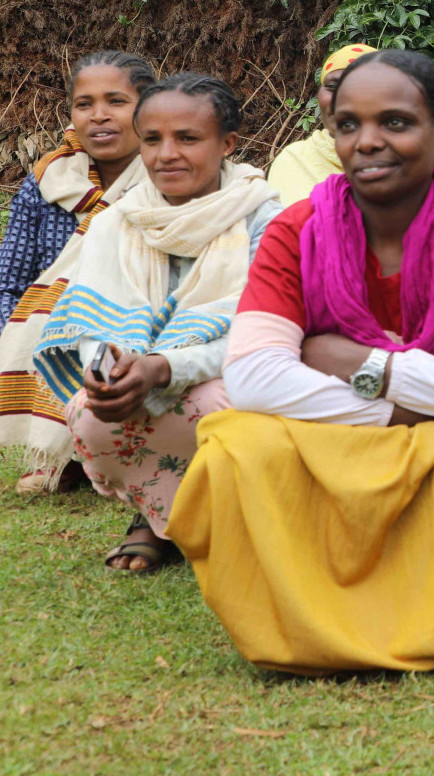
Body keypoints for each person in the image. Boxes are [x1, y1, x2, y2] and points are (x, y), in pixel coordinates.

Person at [168, 50, 434, 673]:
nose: (367, 142)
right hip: (383, 431)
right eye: (348, 125)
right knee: (239, 446)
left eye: (395, 123)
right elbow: (252, 374)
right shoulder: (296, 232)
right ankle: (305, 623)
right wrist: (396, 410)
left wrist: (368, 366)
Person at [30, 73, 280, 571]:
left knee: (217, 405)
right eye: (152, 139)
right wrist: (110, 369)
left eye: (188, 138)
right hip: (144, 368)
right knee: (92, 411)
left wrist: (164, 366)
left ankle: (235, 522)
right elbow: (90, 316)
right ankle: (157, 515)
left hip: (239, 368)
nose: (167, 154)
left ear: (227, 144)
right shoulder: (115, 221)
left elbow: (265, 327)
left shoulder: (265, 218)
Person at [0, 50, 156, 493]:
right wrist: (15, 336)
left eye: (116, 102)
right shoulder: (48, 181)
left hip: (140, 331)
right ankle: (61, 452)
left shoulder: (170, 178)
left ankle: (119, 449)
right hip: (54, 338)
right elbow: (8, 283)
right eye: (85, 104)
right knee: (46, 326)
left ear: (147, 107)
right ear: (71, 114)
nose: (99, 116)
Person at [266, 43, 376, 205]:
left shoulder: (405, 160)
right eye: (332, 87)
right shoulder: (294, 161)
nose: (343, 97)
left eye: (360, 85)